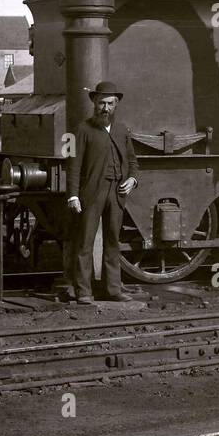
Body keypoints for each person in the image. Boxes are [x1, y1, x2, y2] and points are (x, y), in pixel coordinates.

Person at [65, 81, 141, 304]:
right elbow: (73, 166)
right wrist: (73, 195)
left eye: (109, 104)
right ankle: (84, 291)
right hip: (91, 194)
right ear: (94, 103)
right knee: (85, 242)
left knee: (113, 241)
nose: (105, 108)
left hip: (117, 194)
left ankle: (113, 289)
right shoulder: (82, 130)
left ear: (115, 104)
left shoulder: (121, 130)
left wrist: (132, 180)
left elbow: (133, 161)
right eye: (101, 103)